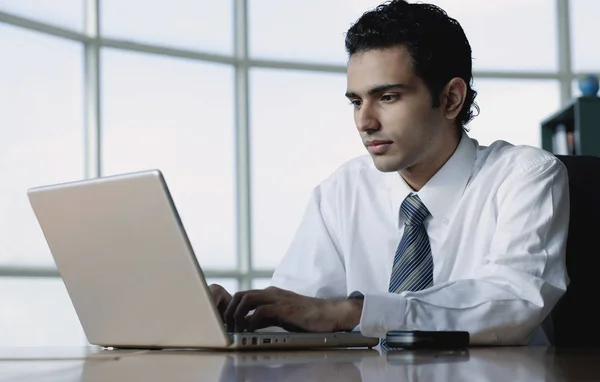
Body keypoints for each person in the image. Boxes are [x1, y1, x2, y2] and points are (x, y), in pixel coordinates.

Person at [210, 0, 570, 345]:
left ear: (450, 99)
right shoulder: (342, 190)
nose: (364, 122)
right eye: (356, 101)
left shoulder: (526, 176)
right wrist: (240, 315)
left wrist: (355, 312)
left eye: (387, 97)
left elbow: (514, 300)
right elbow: (301, 310)